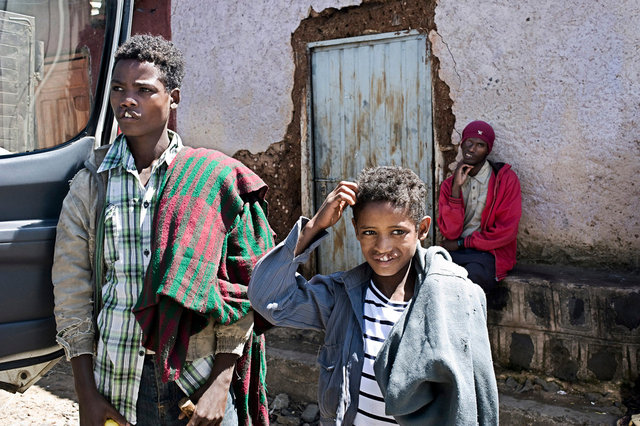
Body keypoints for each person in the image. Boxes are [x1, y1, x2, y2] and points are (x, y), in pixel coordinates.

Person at [52, 34, 274, 426]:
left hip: (197, 378)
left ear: (173, 97)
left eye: (143, 89)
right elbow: (72, 292)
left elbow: (242, 285)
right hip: (117, 378)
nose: (127, 100)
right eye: (118, 88)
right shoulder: (91, 185)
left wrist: (221, 382)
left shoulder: (209, 179)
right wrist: (85, 392)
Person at [248, 166, 499, 425]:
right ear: (356, 229)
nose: (383, 247)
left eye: (398, 232)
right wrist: (314, 226)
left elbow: (477, 392)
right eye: (370, 232)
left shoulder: (453, 296)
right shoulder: (342, 297)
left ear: (422, 229)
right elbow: (267, 297)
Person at [437, 120, 522, 292]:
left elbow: (506, 231)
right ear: (462, 144)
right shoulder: (448, 185)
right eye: (469, 142)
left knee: (469, 281)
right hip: (456, 252)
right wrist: (455, 189)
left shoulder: (505, 180)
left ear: (488, 150)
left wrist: (463, 243)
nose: (472, 149)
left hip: (490, 253)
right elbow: (450, 232)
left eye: (480, 145)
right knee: (433, 277)